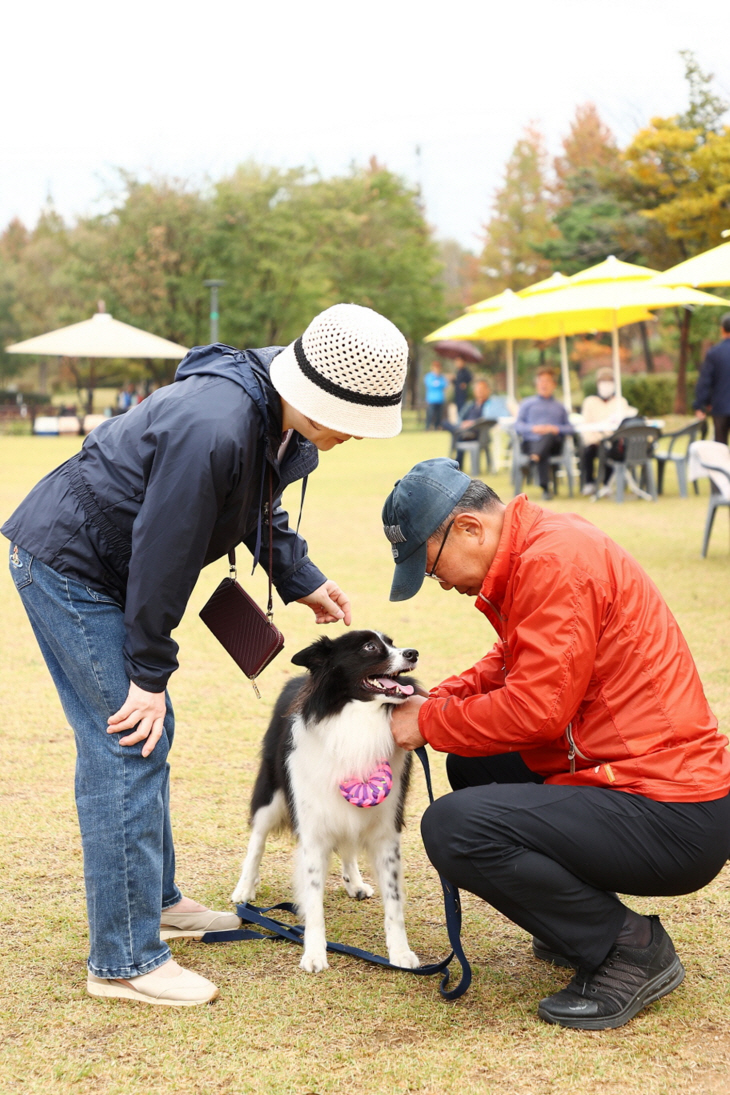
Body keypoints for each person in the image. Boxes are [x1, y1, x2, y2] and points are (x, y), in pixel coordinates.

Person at [3, 303, 409, 1009]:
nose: (351, 436)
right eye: (351, 419)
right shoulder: (214, 425)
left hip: (111, 564)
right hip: (73, 564)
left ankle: (154, 902)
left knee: (147, 736)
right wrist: (148, 674)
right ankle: (123, 958)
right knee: (127, 741)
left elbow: (256, 506)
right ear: (318, 395)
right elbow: (164, 552)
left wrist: (301, 578)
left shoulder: (270, 419)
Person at [381, 458, 730, 1031]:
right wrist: (436, 699)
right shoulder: (540, 546)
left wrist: (431, 721)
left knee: (454, 826)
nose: (439, 582)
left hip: (671, 808)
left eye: (431, 564)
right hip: (639, 779)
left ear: (469, 528)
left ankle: (630, 949)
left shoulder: (555, 560)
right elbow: (512, 662)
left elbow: (536, 710)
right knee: (472, 763)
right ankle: (573, 920)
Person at [514, 367, 574, 500]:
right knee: (543, 449)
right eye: (541, 381)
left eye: (547, 381)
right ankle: (546, 489)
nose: (544, 384)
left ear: (554, 384)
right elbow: (517, 425)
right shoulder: (527, 404)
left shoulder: (559, 407)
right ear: (536, 384)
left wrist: (555, 429)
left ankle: (533, 460)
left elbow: (570, 428)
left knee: (548, 436)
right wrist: (533, 428)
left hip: (554, 445)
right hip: (531, 443)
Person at [579, 367, 636, 494]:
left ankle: (607, 483)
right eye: (603, 381)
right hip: (594, 439)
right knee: (589, 450)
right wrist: (594, 439)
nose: (606, 385)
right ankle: (589, 482)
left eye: (609, 381)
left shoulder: (620, 402)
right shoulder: (590, 401)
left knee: (612, 448)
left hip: (613, 439)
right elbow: (585, 425)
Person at [442, 377, 510, 469]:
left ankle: (456, 464)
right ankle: (459, 432)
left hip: (478, 432)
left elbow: (490, 419)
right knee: (445, 423)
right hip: (464, 429)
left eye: (482, 389)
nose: (479, 392)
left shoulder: (491, 404)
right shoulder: (471, 405)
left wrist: (472, 423)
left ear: (488, 390)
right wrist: (463, 424)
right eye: (477, 389)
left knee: (458, 434)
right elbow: (461, 418)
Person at [693, 313, 730, 446]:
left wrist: (700, 405)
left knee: (720, 446)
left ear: (722, 329)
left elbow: (705, 381)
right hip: (719, 406)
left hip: (720, 407)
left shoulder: (714, 353)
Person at [423, 360, 449, 430]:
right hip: (431, 399)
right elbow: (429, 385)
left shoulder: (442, 377)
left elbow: (445, 385)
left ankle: (437, 427)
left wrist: (437, 384)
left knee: (439, 416)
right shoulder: (429, 376)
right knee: (430, 415)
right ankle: (428, 427)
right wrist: (437, 384)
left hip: (440, 399)